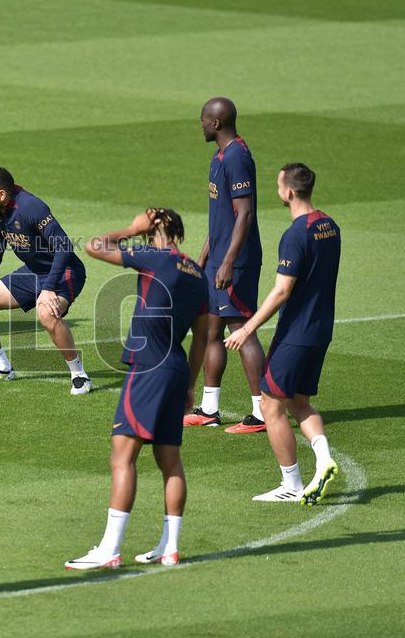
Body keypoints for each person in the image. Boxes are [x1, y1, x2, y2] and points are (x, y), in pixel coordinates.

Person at [65, 208, 207, 569]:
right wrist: (190, 385)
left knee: (122, 457)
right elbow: (204, 337)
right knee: (170, 462)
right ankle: (170, 547)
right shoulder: (197, 272)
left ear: (155, 228)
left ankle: (109, 549)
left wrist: (131, 227)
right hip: (175, 368)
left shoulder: (154, 257)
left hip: (148, 367)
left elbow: (95, 246)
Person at [225, 163, 341, 504]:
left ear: (288, 192)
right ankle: (323, 460)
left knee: (271, 406)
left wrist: (247, 328)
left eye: (278, 185)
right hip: (321, 330)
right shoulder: (329, 226)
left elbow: (281, 291)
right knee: (299, 401)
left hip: (296, 333)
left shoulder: (295, 235)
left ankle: (290, 484)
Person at [0, 167, 91, 395]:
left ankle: (79, 375)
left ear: (1, 194)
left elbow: (64, 247)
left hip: (64, 272)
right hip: (33, 272)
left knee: (47, 314)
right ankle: (1, 368)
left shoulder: (32, 207)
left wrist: (49, 288)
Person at [184, 97, 268, 434]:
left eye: (203, 119)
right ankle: (209, 409)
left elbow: (244, 213)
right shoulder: (219, 156)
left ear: (216, 123)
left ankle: (262, 413)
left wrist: (228, 262)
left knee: (241, 330)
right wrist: (206, 252)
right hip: (218, 258)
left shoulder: (236, 157)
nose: (201, 124)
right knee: (210, 331)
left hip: (236, 261)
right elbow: (222, 215)